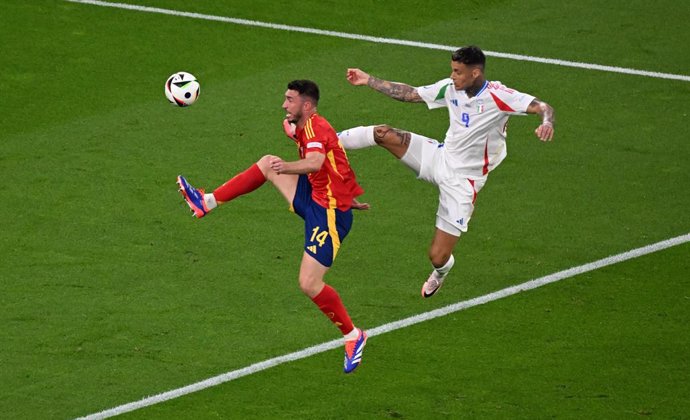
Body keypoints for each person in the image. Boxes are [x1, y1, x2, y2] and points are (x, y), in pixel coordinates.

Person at [177, 80, 369, 373]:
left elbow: (316, 162)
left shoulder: (317, 128)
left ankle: (354, 336)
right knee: (267, 162)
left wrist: (288, 168)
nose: (284, 104)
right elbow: (334, 163)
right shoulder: (301, 125)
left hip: (328, 214)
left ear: (306, 105)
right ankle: (206, 202)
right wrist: (346, 193)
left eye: (289, 100)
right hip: (317, 198)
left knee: (308, 283)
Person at [334, 45, 555, 298]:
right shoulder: (450, 89)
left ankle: (441, 272)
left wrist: (546, 122)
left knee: (437, 256)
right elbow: (411, 94)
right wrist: (368, 80)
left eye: (458, 72)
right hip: (439, 157)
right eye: (452, 70)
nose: (452, 76)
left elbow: (542, 106)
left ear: (475, 73)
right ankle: (328, 141)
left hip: (463, 182)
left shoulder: (499, 96)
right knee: (383, 133)